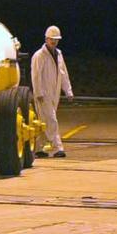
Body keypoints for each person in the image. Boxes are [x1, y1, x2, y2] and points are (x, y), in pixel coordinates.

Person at [30, 24, 74, 158]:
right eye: (51, 39)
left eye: (56, 39)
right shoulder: (39, 56)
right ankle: (57, 148)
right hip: (43, 94)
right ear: (46, 39)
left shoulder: (59, 54)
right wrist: (38, 93)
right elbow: (35, 75)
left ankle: (39, 148)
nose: (54, 41)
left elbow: (63, 73)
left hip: (54, 93)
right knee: (51, 120)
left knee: (44, 121)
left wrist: (68, 91)